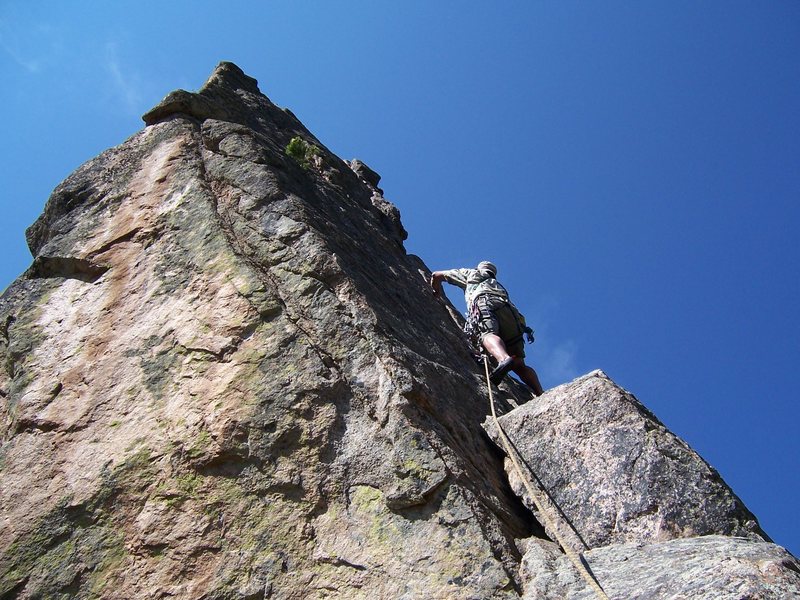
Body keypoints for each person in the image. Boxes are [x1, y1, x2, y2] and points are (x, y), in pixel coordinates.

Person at [430, 261, 544, 396]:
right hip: (511, 314)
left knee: (487, 334)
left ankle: (503, 359)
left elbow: (436, 275)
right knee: (519, 365)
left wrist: (436, 291)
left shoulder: (472, 273)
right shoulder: (497, 285)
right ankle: (539, 392)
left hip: (485, 303)